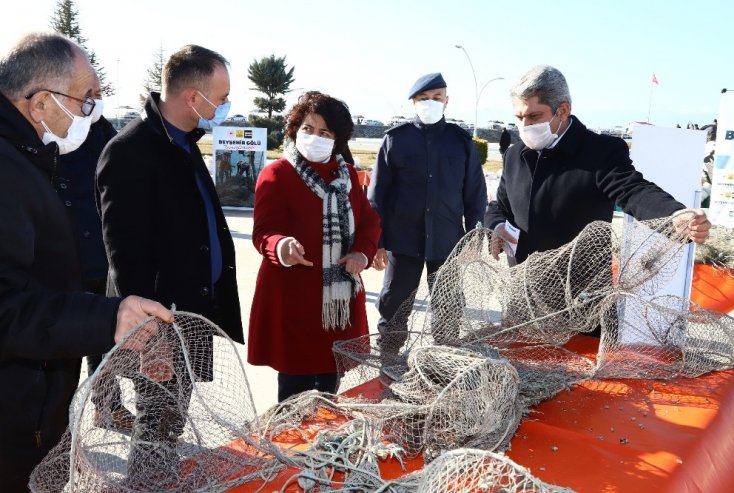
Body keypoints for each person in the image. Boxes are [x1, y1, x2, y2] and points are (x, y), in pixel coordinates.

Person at [0, 32, 172, 493]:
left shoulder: (29, 157)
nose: (93, 112)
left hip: (35, 397)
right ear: (39, 104)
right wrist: (106, 316)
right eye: (87, 99)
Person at [96, 45, 243, 484]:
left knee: (172, 417)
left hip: (189, 312)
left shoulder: (182, 142)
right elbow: (125, 253)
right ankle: (145, 484)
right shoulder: (130, 151)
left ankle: (157, 478)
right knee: (157, 421)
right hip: (159, 320)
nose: (225, 106)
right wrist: (149, 336)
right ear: (193, 97)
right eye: (221, 96)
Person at [485, 65, 711, 267]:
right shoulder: (515, 154)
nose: (525, 125)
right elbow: (500, 206)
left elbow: (634, 191)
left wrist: (674, 216)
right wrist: (497, 226)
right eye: (519, 117)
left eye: (534, 115)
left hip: (579, 299)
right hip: (521, 293)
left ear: (562, 111)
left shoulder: (599, 151)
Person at [248, 91, 381, 402]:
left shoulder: (346, 174)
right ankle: (289, 450)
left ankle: (322, 448)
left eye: (325, 132)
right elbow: (263, 232)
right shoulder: (277, 174)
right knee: (295, 395)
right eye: (308, 129)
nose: (315, 137)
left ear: (337, 139)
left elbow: (369, 221)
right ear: (296, 129)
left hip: (338, 304)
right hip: (294, 301)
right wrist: (281, 246)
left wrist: (363, 251)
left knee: (329, 388)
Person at [368, 73, 487, 355]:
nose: (430, 103)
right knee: (394, 306)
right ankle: (388, 358)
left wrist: (474, 237)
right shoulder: (395, 140)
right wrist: (378, 241)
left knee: (448, 308)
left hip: (447, 241)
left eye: (436, 98)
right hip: (403, 241)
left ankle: (443, 360)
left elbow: (475, 194)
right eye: (423, 98)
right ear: (413, 102)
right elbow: (378, 195)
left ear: (447, 101)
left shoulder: (461, 142)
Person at [55, 73, 132, 432]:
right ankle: (59, 423)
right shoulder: (53, 128)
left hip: (101, 252)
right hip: (60, 255)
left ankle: (107, 405)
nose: (96, 101)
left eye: (101, 93)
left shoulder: (101, 130)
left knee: (101, 337)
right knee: (62, 342)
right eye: (90, 94)